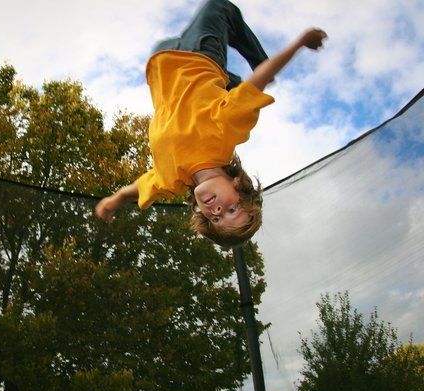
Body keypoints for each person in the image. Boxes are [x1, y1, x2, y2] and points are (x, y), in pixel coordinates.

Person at [95, 0, 327, 247]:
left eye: (216, 219)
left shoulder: (170, 180)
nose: (217, 209)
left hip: (160, 60)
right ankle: (238, 77)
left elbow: (138, 189)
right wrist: (300, 43)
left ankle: (230, 84)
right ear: (239, 184)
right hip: (200, 55)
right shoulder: (224, 135)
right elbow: (259, 80)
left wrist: (113, 201)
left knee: (228, 88)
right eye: (232, 208)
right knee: (220, 7)